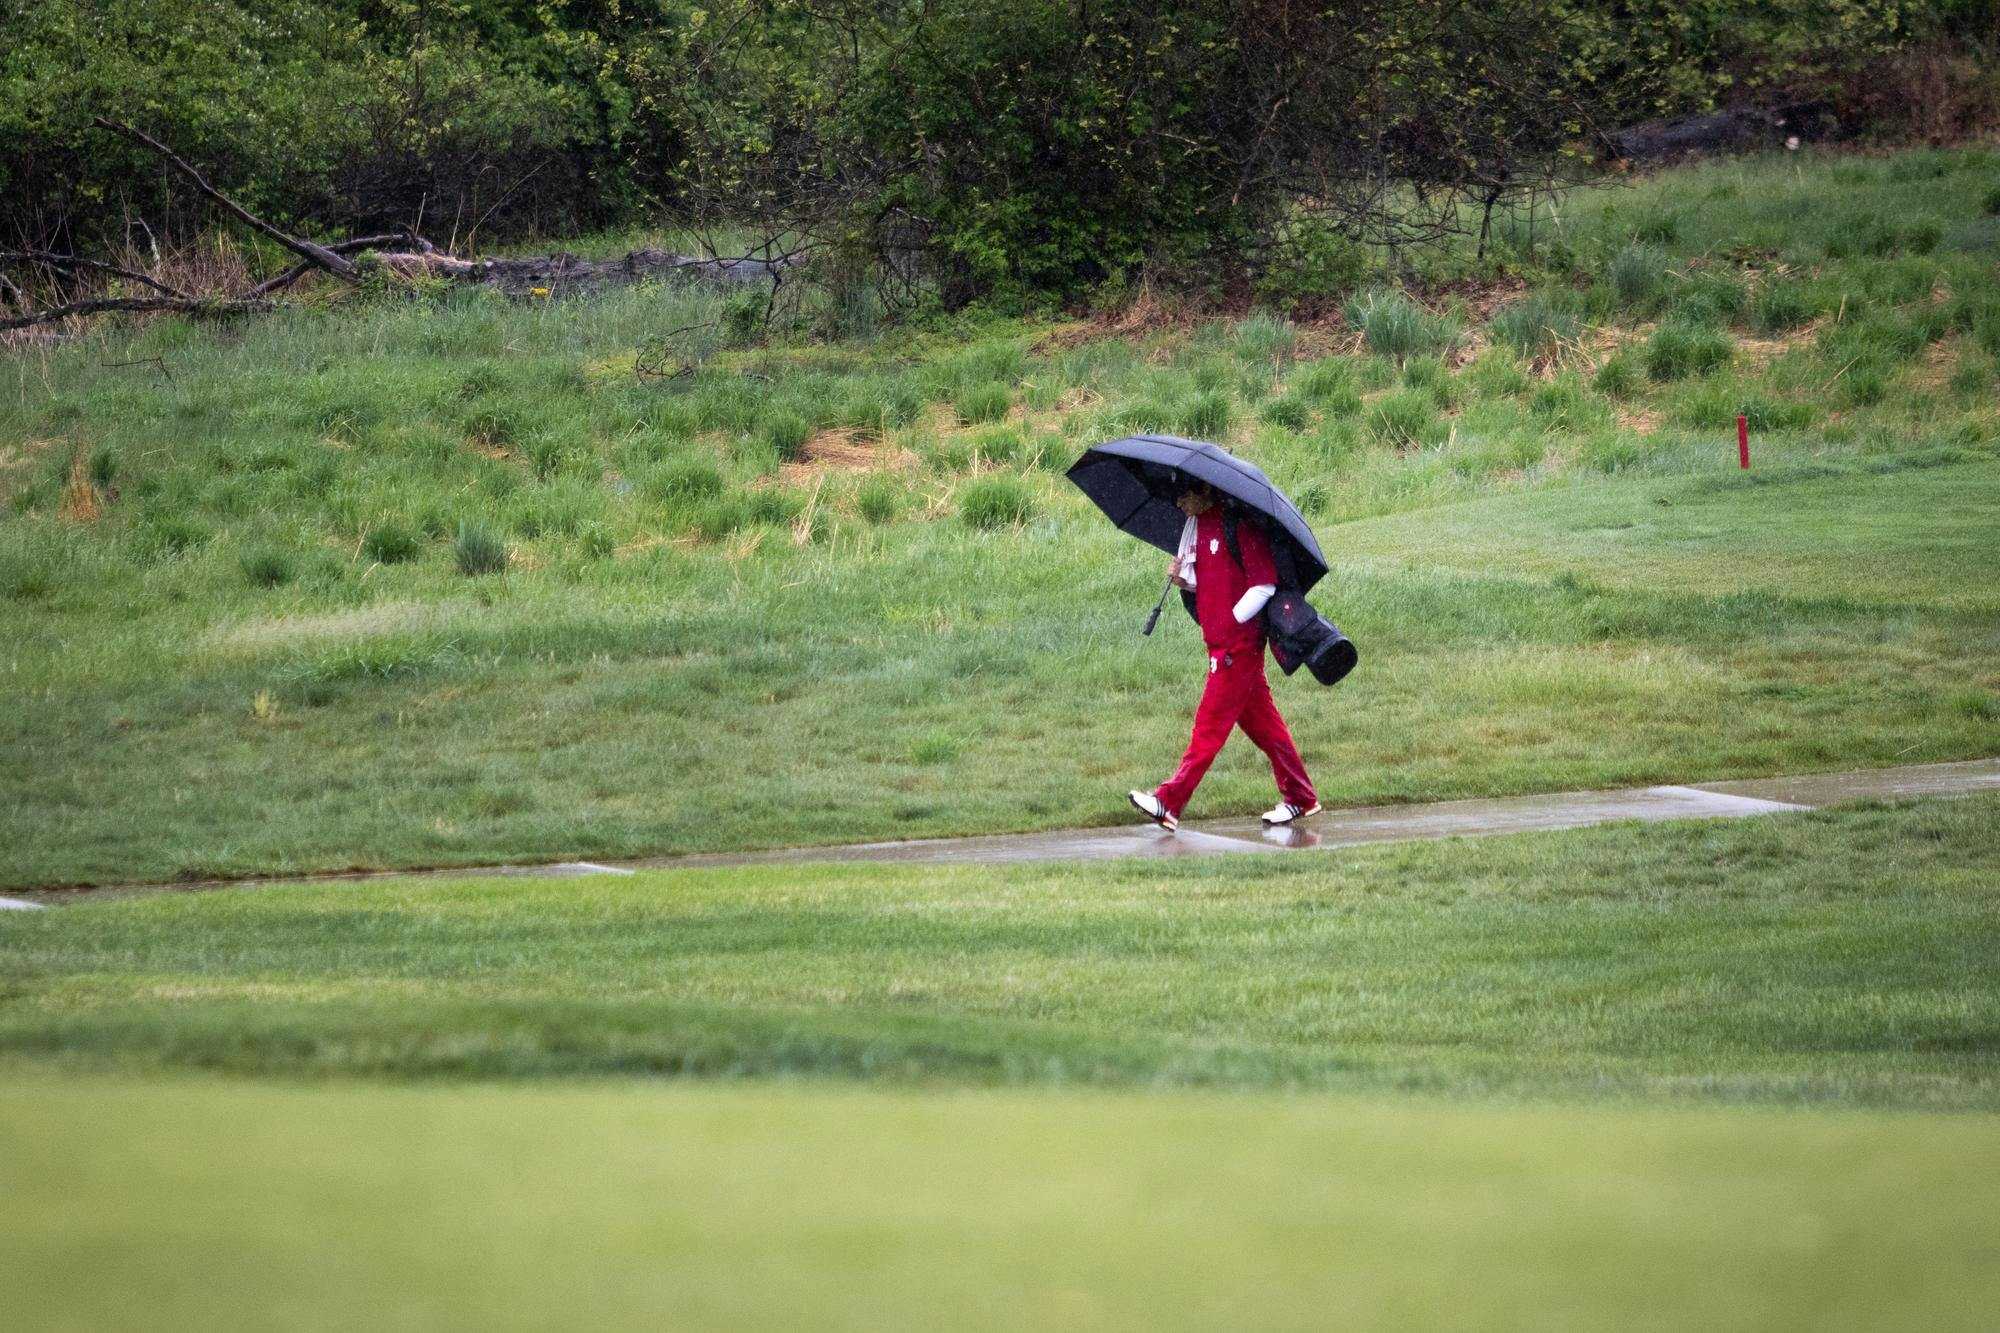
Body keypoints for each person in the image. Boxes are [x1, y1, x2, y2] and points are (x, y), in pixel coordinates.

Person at [1128, 482, 1320, 831]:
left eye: (1185, 494)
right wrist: (1184, 581)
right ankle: (1301, 797)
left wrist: (1231, 622)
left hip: (1237, 649)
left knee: (1208, 729)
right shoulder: (1199, 527)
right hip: (1219, 646)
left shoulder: (1240, 526)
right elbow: (1216, 582)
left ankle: (1168, 803)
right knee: (1267, 728)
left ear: (1203, 490)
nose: (1179, 500)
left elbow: (1264, 584)